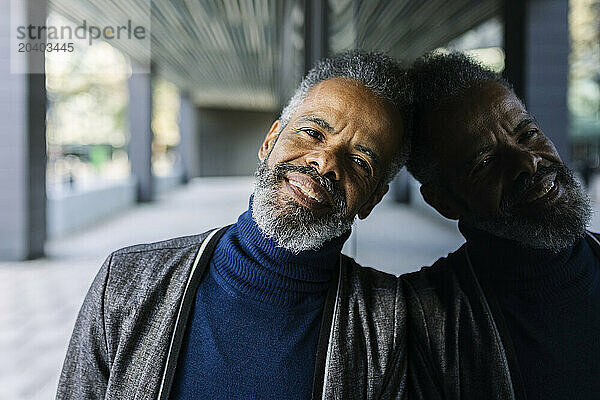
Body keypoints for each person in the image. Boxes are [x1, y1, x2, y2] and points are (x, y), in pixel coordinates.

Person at [57, 51, 411, 400]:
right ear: (270, 141)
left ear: (373, 199)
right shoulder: (124, 282)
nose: (325, 162)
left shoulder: (386, 323)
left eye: (360, 161)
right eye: (313, 133)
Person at [402, 52, 600, 399]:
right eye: (484, 162)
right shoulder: (426, 323)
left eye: (528, 134)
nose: (528, 161)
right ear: (443, 202)